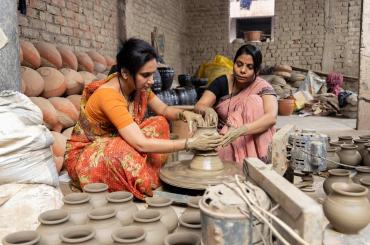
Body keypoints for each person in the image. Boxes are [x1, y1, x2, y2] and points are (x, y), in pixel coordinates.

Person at [64, 38, 222, 199]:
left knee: (159, 124)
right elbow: (141, 143)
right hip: (88, 153)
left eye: (153, 74)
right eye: (145, 75)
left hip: (119, 139)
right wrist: (190, 143)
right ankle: (137, 179)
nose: (152, 81)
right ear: (125, 73)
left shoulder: (137, 86)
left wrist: (184, 114)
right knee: (124, 151)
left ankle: (141, 171)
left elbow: (163, 109)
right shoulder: (108, 95)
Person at [194, 44, 277, 165]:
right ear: (233, 64)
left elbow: (271, 117)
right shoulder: (222, 82)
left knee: (254, 101)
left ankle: (256, 163)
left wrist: (241, 130)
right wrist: (207, 110)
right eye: (239, 64)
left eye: (249, 67)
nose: (242, 70)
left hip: (251, 136)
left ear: (257, 71)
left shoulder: (263, 87)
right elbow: (199, 105)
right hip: (226, 135)